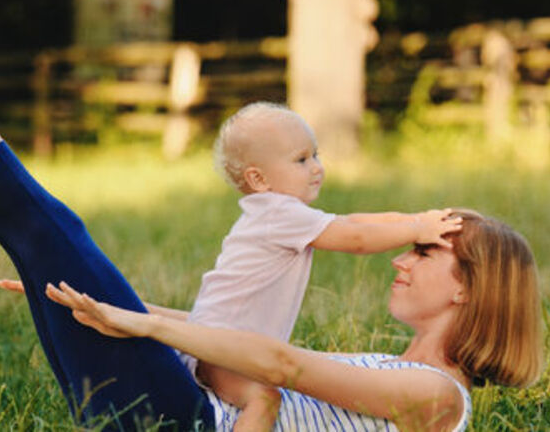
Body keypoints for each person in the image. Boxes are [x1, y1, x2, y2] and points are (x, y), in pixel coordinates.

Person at [0, 0, 544, 431]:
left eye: (425, 251)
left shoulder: (440, 400)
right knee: (40, 236)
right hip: (184, 407)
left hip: (186, 418)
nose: (402, 256)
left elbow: (280, 368)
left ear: (470, 286)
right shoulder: (389, 368)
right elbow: (245, 345)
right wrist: (143, 312)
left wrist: (143, 327)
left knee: (44, 225)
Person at [177, 101, 462, 431]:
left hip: (222, 346)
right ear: (258, 179)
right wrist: (414, 230)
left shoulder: (277, 213)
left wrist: (416, 219)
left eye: (316, 155)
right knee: (264, 399)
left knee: (265, 395)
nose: (316, 167)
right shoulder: (278, 214)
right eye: (301, 159)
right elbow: (355, 238)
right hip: (220, 350)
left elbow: (354, 221)